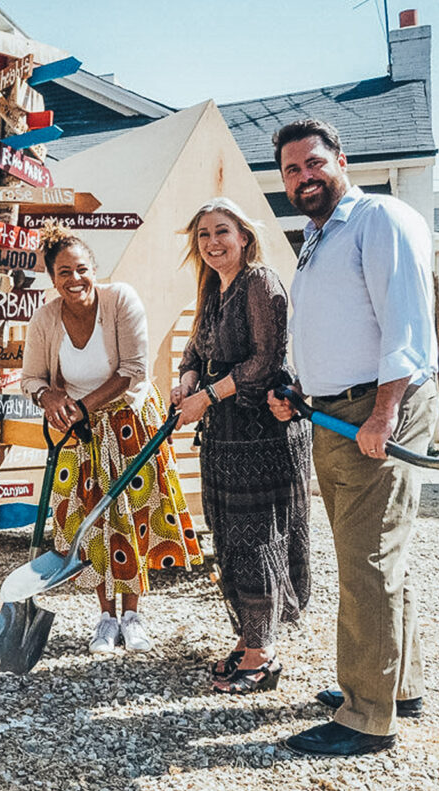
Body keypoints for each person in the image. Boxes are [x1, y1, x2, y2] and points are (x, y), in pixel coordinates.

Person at [268, 119, 437, 756]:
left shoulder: (376, 219)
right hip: (333, 414)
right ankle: (401, 685)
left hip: (372, 411)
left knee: (367, 565)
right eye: (291, 170)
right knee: (375, 557)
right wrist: (301, 394)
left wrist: (385, 411)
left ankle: (367, 716)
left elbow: (406, 326)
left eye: (313, 163)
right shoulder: (317, 237)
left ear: (340, 159)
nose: (303, 177)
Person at [21, 223, 201, 654]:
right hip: (82, 434)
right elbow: (30, 379)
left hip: (129, 422)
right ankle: (105, 618)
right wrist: (49, 395)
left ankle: (133, 616)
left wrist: (82, 406)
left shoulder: (120, 300)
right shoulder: (46, 319)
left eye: (81, 269)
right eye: (63, 272)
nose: (74, 279)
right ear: (52, 279)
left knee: (131, 517)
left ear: (95, 270)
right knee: (91, 522)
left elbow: (133, 370)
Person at [173, 198, 312, 695]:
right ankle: (247, 638)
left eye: (222, 232)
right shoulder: (213, 288)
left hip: (261, 435)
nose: (213, 243)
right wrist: (186, 379)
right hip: (223, 436)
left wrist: (207, 396)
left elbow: (265, 362)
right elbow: (195, 349)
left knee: (256, 538)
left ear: (245, 237)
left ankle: (263, 655)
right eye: (204, 234)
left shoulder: (260, 282)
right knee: (229, 537)